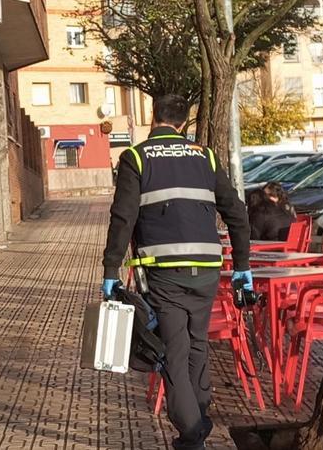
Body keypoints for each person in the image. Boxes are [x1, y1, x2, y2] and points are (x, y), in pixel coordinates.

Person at [101, 94, 251, 450]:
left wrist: (111, 269)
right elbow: (237, 213)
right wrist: (243, 265)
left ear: (154, 117)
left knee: (173, 351)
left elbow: (123, 218)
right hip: (208, 269)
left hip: (164, 271)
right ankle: (196, 417)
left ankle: (192, 433)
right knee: (198, 342)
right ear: (184, 123)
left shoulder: (135, 157)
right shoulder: (205, 156)